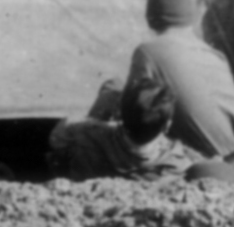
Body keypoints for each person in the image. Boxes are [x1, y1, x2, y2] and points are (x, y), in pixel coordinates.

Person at [123, 0, 234, 184]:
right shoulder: (212, 53)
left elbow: (134, 114)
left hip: (228, 169)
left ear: (151, 20)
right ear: (190, 19)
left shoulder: (147, 52)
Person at [47, 75, 191, 181]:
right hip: (145, 171)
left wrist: (99, 123)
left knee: (113, 85)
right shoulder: (175, 163)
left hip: (91, 164)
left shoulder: (84, 133)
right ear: (167, 126)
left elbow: (56, 138)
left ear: (119, 114)